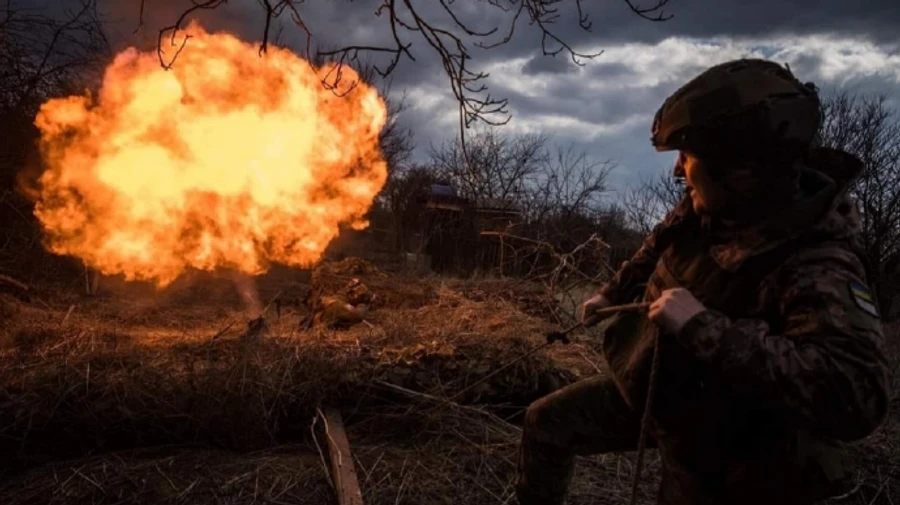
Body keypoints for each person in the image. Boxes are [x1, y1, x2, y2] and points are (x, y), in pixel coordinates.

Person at [515, 59, 892, 505]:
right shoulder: (711, 208)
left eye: (688, 156)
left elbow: (856, 398)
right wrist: (612, 293)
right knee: (546, 422)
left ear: (741, 171)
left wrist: (702, 327)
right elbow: (657, 245)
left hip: (738, 458)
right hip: (664, 394)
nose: (678, 171)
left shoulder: (817, 263)